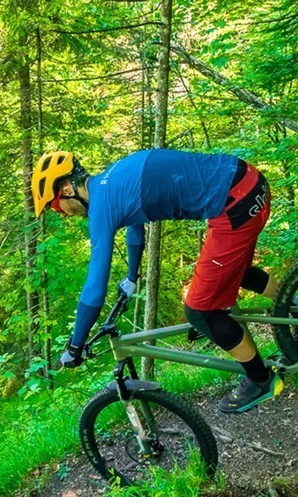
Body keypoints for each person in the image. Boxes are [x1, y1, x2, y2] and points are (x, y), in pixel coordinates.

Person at [30, 149, 284, 413]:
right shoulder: (111, 179)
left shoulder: (101, 209)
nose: (60, 213)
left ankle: (260, 379)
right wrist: (131, 278)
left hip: (234, 205)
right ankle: (293, 307)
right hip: (250, 182)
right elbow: (134, 226)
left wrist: (75, 344)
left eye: (55, 204)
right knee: (231, 270)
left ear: (69, 188)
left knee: (199, 311)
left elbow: (95, 290)